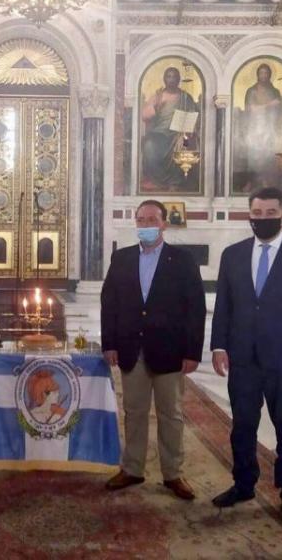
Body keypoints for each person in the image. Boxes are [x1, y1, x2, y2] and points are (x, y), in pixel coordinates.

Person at [209, 187, 282, 525]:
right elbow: (224, 306)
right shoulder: (232, 255)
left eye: (270, 213)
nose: (263, 219)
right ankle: (243, 484)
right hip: (243, 358)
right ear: (249, 215)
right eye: (257, 213)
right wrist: (219, 346)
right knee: (242, 426)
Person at [101, 200, 206, 501]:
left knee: (170, 414)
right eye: (141, 220)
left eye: (152, 219)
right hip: (131, 348)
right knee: (134, 412)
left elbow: (195, 308)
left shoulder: (182, 260)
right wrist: (109, 344)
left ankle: (173, 473)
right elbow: (109, 304)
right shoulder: (121, 258)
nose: (146, 225)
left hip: (170, 350)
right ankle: (132, 468)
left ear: (164, 224)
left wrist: (192, 352)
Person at [140, 67, 199, 191]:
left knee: (184, 145)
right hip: (159, 133)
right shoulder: (158, 96)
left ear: (179, 79)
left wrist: (184, 134)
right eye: (169, 76)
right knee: (149, 145)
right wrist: (156, 106)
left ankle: (176, 181)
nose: (171, 79)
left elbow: (193, 117)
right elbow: (144, 115)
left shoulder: (185, 97)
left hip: (180, 133)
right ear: (164, 79)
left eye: (174, 76)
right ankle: (157, 180)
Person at [237, 63, 282, 192]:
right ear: (257, 75)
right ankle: (251, 182)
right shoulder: (251, 91)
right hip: (255, 127)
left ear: (269, 75)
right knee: (253, 156)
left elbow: (281, 111)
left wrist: (278, 107)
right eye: (261, 73)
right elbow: (250, 109)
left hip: (269, 128)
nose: (263, 75)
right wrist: (269, 105)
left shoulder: (275, 92)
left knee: (268, 155)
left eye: (266, 73)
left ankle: (266, 181)